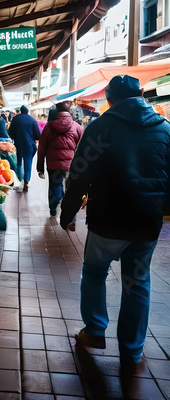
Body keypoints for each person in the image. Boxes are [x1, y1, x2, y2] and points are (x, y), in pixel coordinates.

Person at [59, 75, 170, 374]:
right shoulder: (165, 129)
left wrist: (67, 214)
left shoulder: (101, 127)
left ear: (109, 99)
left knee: (95, 271)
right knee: (137, 284)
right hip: (146, 223)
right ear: (142, 95)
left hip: (108, 219)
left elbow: (79, 174)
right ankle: (132, 352)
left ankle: (95, 330)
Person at [36, 100, 84, 220]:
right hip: (71, 164)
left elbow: (42, 147)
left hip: (53, 164)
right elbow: (82, 147)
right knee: (70, 188)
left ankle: (53, 210)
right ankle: (69, 214)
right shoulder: (77, 127)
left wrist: (40, 167)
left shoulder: (49, 126)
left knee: (55, 186)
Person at [8, 105, 40, 191]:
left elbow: (10, 132)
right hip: (29, 145)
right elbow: (37, 135)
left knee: (18, 162)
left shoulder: (15, 119)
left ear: (21, 111)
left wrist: (15, 138)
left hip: (18, 144)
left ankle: (18, 179)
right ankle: (26, 181)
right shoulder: (32, 120)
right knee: (28, 162)